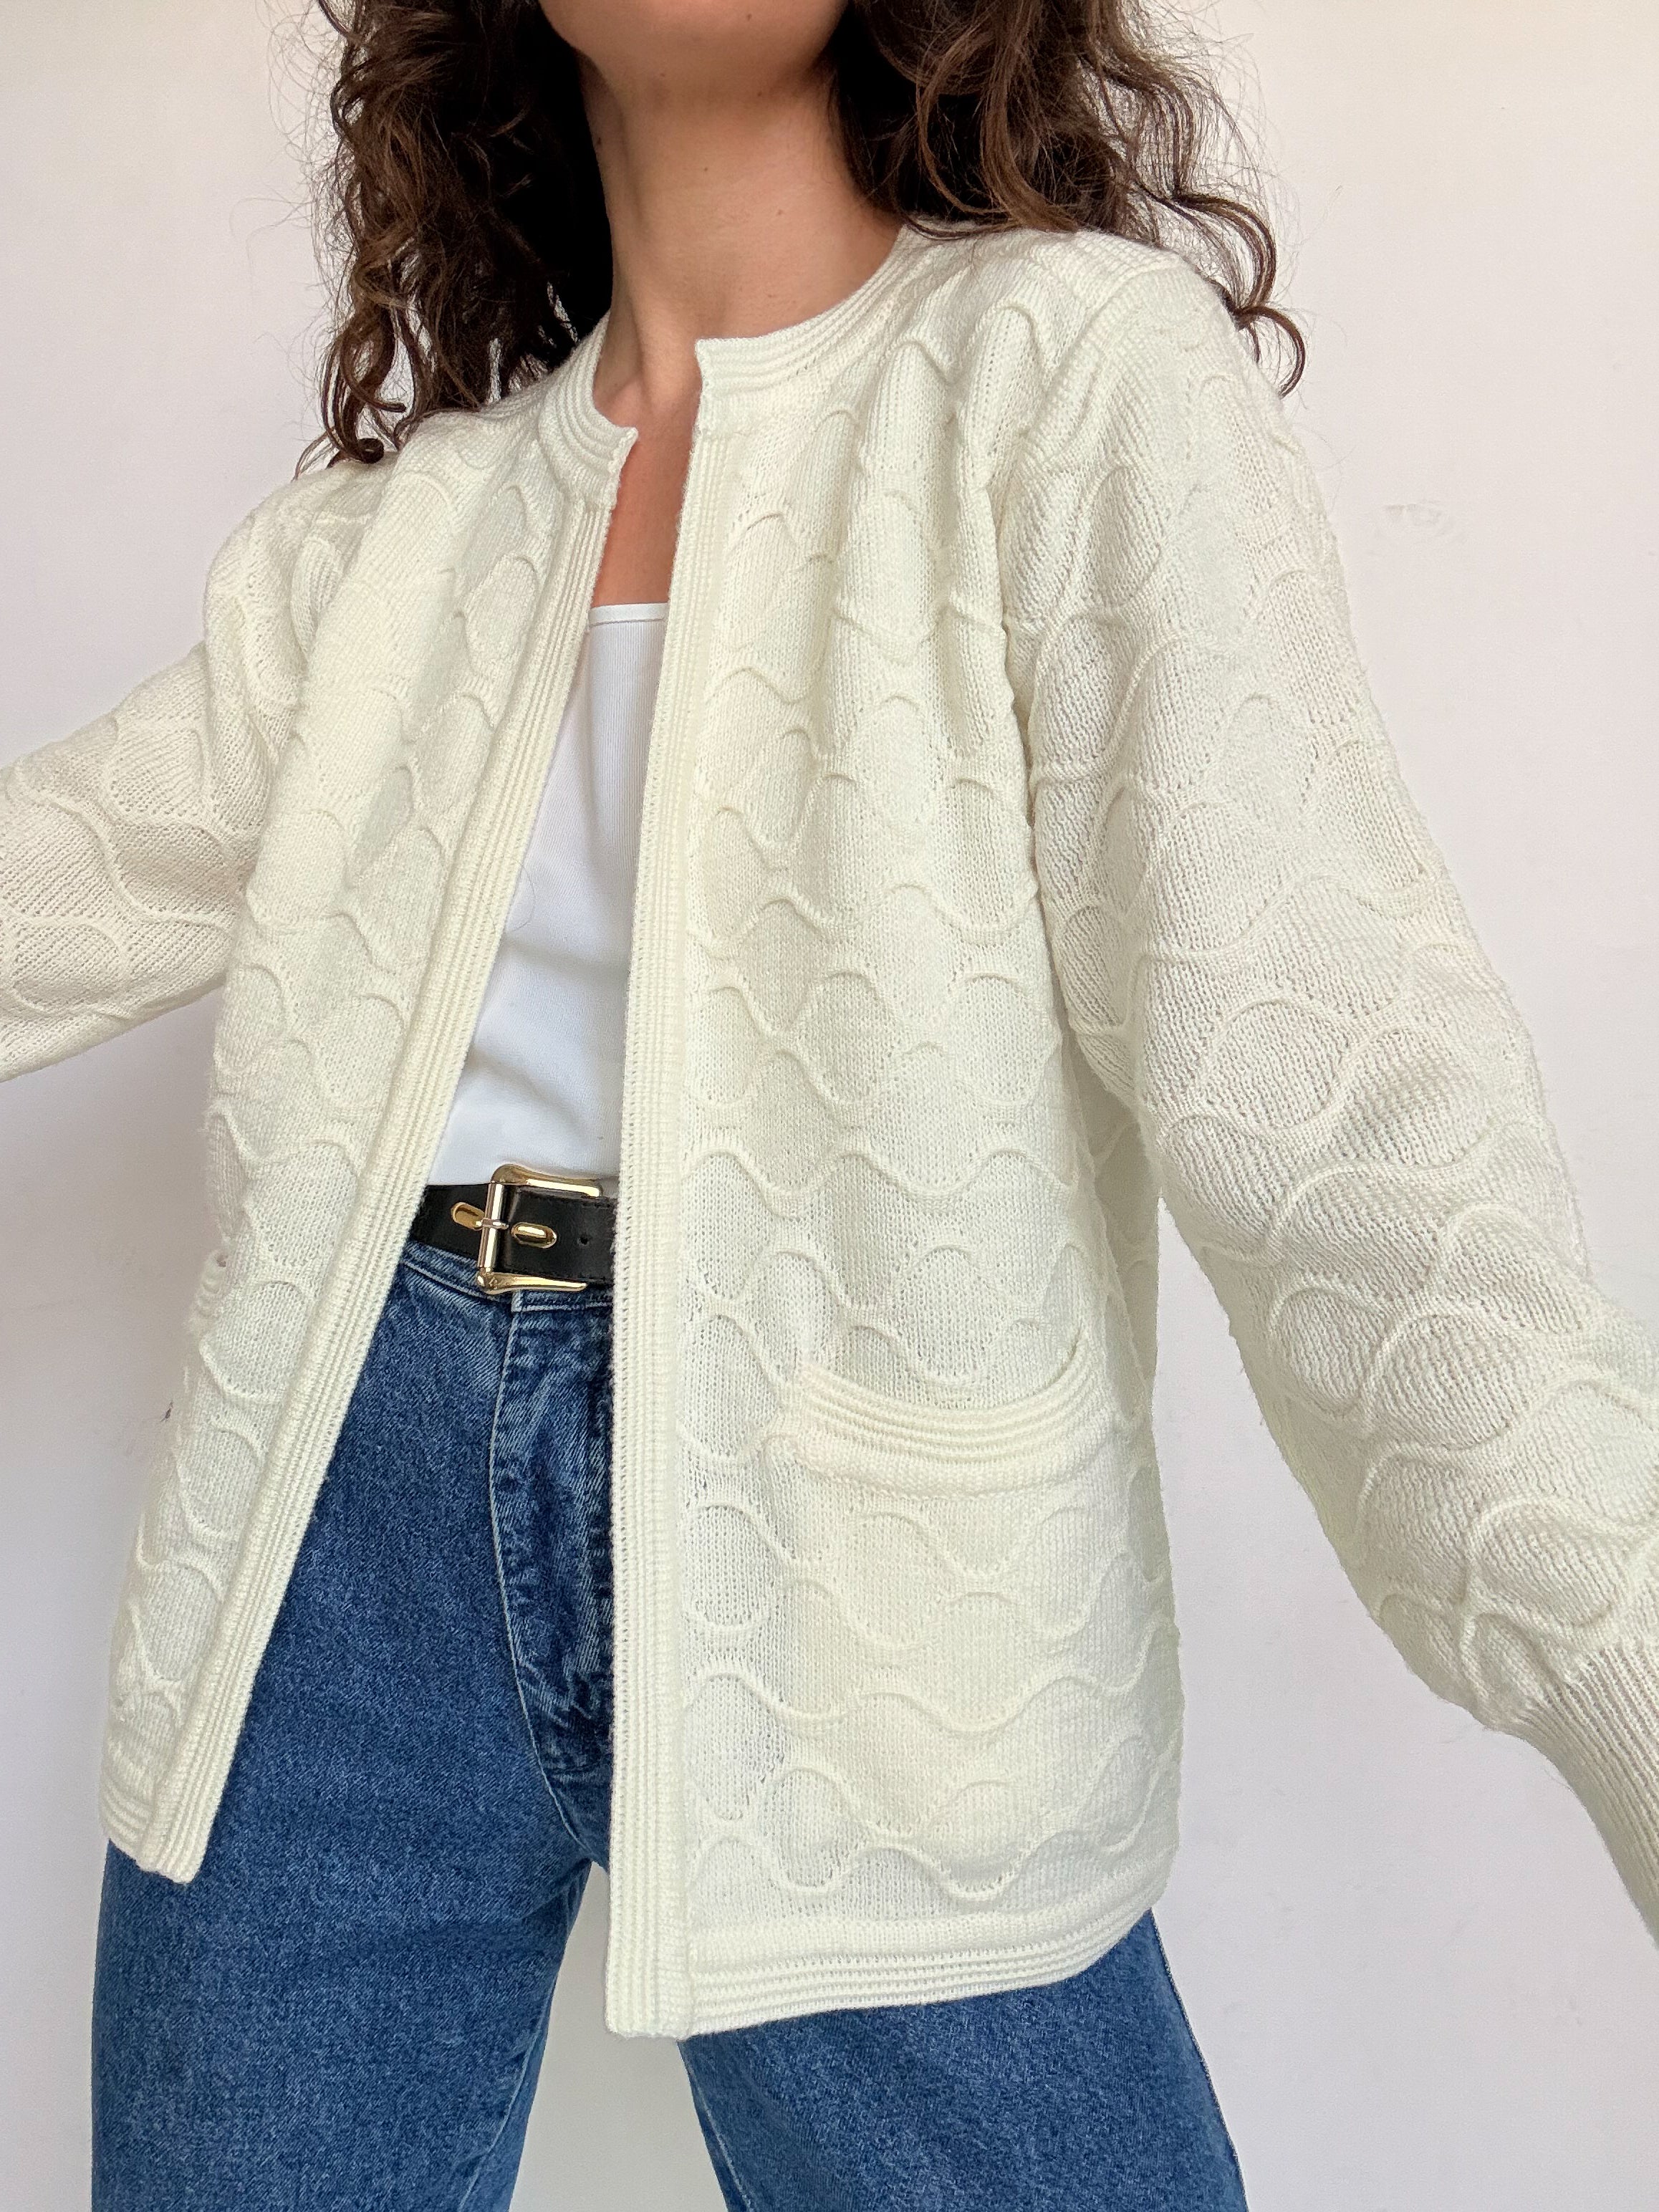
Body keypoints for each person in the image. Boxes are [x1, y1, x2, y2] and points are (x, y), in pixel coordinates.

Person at [3, 0, 1654, 2205]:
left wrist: (1609, 1634)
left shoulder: (1063, 380)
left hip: (874, 1562)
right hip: (324, 1527)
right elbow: (52, 882)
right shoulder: (411, 536)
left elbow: (1338, 1100)